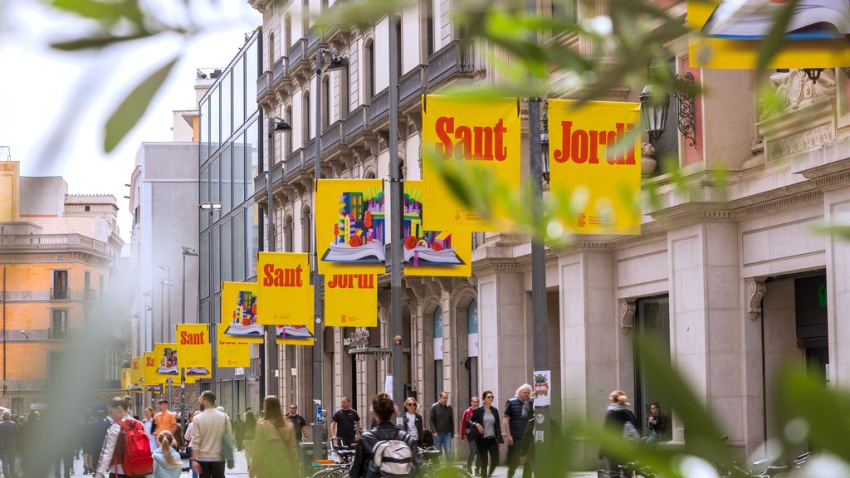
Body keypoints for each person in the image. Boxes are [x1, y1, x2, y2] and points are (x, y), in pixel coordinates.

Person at [349, 393, 418, 478]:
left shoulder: (366, 438)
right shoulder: (407, 439)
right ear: (393, 413)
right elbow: (419, 468)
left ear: (374, 413)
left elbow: (355, 472)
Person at [191, 391, 234, 478]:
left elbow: (196, 440)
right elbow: (230, 437)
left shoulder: (197, 418)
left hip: (203, 458)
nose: (199, 400)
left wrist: (194, 459)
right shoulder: (224, 417)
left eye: (200, 398)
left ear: (205, 400)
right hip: (219, 458)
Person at [252, 396, 298, 478]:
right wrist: (296, 471)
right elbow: (293, 452)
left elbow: (257, 451)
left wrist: (253, 469)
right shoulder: (288, 426)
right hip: (285, 469)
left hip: (267, 470)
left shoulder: (262, 426)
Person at [94, 397, 137, 478]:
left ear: (119, 409)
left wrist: (99, 474)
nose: (111, 416)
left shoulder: (115, 427)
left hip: (119, 471)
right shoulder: (140, 424)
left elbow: (107, 453)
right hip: (139, 471)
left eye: (111, 412)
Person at [602, 390, 639, 477]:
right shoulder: (629, 413)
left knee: (614, 474)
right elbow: (636, 430)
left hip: (613, 450)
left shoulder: (611, 413)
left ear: (612, 400)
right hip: (628, 450)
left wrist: (602, 450)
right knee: (628, 474)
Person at [503, 384, 534, 478]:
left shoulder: (532, 403)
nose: (526, 394)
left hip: (528, 436)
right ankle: (510, 475)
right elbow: (505, 419)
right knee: (514, 460)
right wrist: (508, 435)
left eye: (528, 393)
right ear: (519, 392)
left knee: (529, 461)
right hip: (515, 436)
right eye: (524, 392)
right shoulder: (511, 402)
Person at [469, 391, 503, 478]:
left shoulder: (495, 411)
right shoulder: (478, 410)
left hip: (492, 439)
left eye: (492, 397)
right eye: (489, 397)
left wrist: (501, 440)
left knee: (495, 461)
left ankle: (488, 476)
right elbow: (469, 421)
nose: (491, 398)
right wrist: (476, 424)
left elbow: (498, 426)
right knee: (484, 462)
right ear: (484, 398)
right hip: (481, 440)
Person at [429, 391, 454, 462]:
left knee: (448, 452)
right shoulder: (434, 407)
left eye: (446, 398)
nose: (445, 399)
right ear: (439, 398)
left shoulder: (449, 408)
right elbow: (431, 420)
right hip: (437, 434)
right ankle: (436, 468)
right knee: (436, 452)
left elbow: (451, 421)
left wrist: (452, 433)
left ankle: (449, 469)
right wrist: (434, 431)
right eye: (444, 398)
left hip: (447, 434)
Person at [460, 396, 481, 475]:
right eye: (474, 402)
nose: (475, 403)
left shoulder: (480, 411)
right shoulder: (467, 412)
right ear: (471, 402)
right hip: (471, 435)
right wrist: (462, 436)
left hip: (479, 435)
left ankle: (477, 470)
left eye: (477, 402)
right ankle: (468, 466)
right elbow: (463, 424)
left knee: (479, 452)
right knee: (473, 451)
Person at [0, 411, 18, 478]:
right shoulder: (14, 424)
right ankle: (12, 476)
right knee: (12, 463)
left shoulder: (0, 424)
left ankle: (6, 477)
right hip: (12, 446)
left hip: (2, 448)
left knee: (4, 464)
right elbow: (17, 434)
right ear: (9, 416)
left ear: (3, 416)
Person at [185, 411, 200, 478]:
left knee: (194, 463)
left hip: (193, 445)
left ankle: (195, 477)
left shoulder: (191, 424)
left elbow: (186, 436)